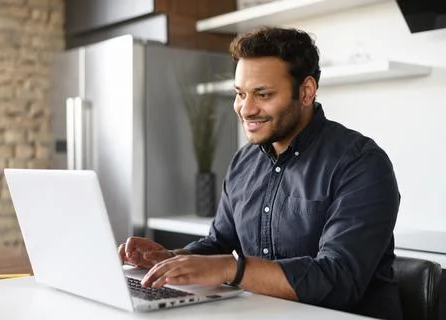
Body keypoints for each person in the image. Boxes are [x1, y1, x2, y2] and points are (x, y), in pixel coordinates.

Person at [118, 27, 402, 320]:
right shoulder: (244, 161)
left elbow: (338, 280)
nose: (246, 109)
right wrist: (171, 258)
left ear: (306, 92)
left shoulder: (361, 163)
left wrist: (232, 268)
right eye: (240, 94)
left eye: (262, 94)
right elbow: (221, 244)